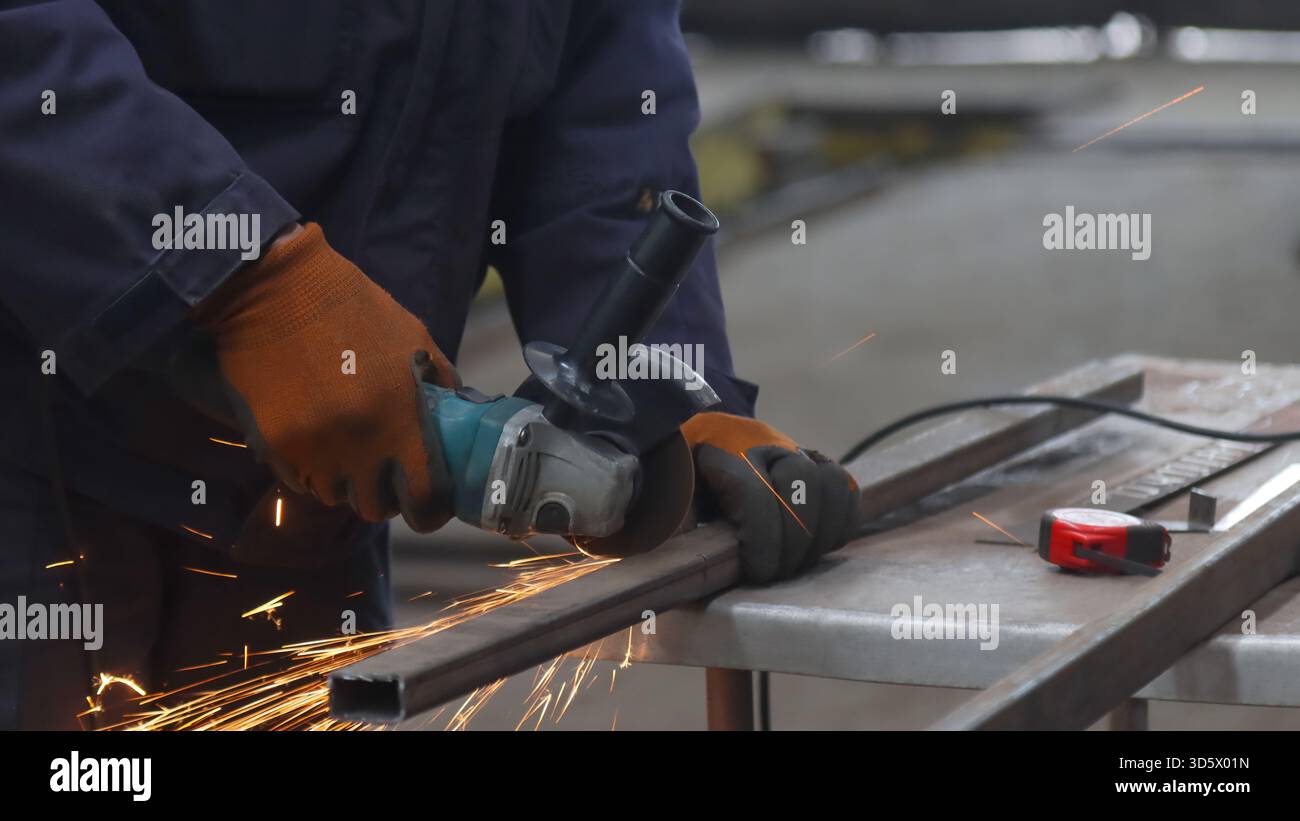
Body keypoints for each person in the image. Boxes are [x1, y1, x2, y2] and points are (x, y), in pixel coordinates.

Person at [0, 0, 858, 729]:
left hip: (313, 505)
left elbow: (603, 107)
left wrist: (667, 399)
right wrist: (237, 275)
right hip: (36, 465)